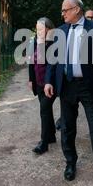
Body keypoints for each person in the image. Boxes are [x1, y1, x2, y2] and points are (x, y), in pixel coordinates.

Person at [44, 0, 93, 186]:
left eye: (65, 10)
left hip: (90, 87)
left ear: (76, 9)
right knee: (67, 128)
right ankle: (70, 163)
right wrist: (49, 81)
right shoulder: (60, 31)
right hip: (66, 86)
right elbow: (52, 60)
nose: (62, 13)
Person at [28, 17, 58, 154]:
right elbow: (31, 61)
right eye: (37, 28)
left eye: (41, 28)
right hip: (38, 82)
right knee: (46, 110)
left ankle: (44, 142)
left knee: (44, 110)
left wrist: (49, 82)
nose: (38, 31)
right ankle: (51, 136)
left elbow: (55, 64)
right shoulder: (35, 41)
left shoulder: (56, 41)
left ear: (49, 28)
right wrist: (31, 79)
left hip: (51, 83)